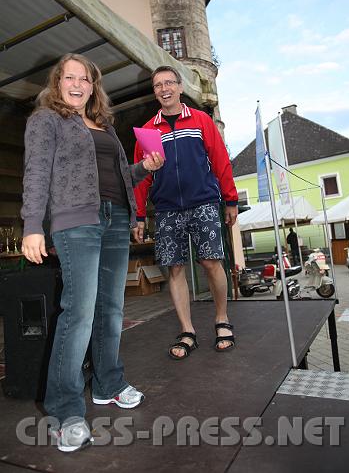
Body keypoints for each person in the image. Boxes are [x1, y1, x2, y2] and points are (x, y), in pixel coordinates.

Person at [21, 53, 163, 452]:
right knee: (79, 313)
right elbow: (36, 172)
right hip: (75, 221)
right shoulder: (46, 121)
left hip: (115, 217)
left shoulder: (103, 125)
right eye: (70, 77)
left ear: (94, 85)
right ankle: (65, 410)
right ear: (57, 82)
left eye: (85, 78)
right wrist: (33, 225)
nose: (78, 84)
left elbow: (120, 175)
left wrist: (145, 168)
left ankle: (108, 384)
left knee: (111, 309)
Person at [133, 65, 238, 360]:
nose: (164, 88)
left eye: (169, 83)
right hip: (166, 209)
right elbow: (140, 177)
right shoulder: (147, 131)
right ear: (154, 92)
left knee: (210, 263)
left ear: (180, 87)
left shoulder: (201, 121)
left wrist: (230, 200)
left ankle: (221, 319)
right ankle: (187, 330)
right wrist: (139, 215)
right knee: (175, 269)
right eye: (158, 85)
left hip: (203, 202)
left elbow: (221, 161)